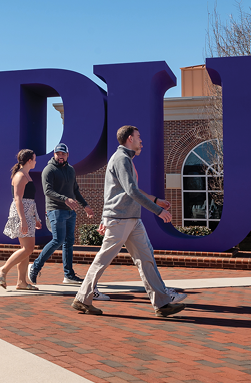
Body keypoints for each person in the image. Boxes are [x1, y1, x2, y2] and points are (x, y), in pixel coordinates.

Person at [72, 125, 186, 318]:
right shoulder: (121, 159)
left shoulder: (125, 159)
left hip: (132, 219)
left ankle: (162, 303)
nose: (141, 141)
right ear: (129, 139)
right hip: (120, 219)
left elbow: (126, 189)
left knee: (146, 258)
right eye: (139, 137)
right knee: (103, 259)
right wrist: (158, 211)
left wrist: (156, 200)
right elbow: (131, 191)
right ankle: (83, 299)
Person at [28, 143, 93, 285]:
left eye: (63, 154)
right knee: (58, 240)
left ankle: (68, 275)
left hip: (70, 212)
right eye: (58, 153)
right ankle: (35, 266)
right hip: (55, 210)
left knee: (69, 242)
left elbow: (75, 190)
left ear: (67, 155)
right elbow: (48, 191)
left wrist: (85, 206)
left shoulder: (71, 170)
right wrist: (65, 199)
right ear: (54, 154)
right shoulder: (49, 170)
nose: (60, 156)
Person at [0, 149, 42, 290]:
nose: (35, 161)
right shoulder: (20, 176)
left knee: (25, 249)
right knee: (28, 248)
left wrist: (36, 217)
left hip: (28, 214)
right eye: (34, 159)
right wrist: (23, 220)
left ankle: (21, 282)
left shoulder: (25, 174)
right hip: (22, 215)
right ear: (29, 160)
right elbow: (18, 199)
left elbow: (30, 201)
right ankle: (3, 270)